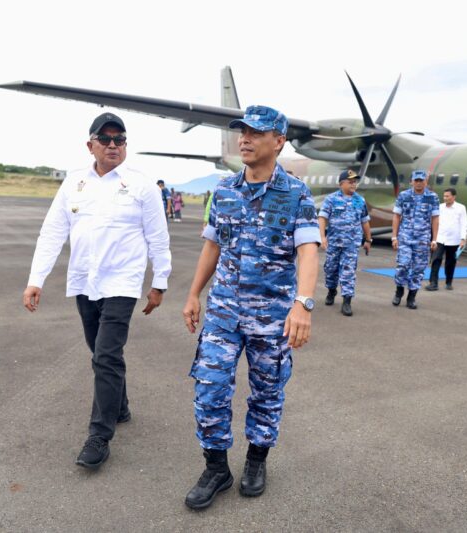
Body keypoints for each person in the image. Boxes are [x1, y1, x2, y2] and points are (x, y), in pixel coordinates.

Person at [181, 105, 320, 509]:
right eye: (242, 131)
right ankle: (216, 467)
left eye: (256, 133)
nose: (245, 138)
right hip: (223, 313)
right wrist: (193, 294)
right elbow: (212, 245)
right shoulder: (224, 190)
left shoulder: (296, 194)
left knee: (267, 392)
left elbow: (308, 251)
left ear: (278, 141)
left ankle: (256, 460)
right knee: (209, 389)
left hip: (272, 317)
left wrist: (303, 304)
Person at [22, 112, 171, 470]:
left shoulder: (142, 186)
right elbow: (53, 232)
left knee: (106, 354)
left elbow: (158, 238)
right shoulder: (74, 184)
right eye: (105, 139)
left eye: (119, 139)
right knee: (100, 352)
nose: (113, 145)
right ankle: (119, 407)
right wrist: (35, 279)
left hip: (122, 283)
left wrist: (159, 283)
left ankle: (99, 435)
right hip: (85, 283)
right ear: (90, 145)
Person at [318, 168, 372, 316]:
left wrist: (368, 239)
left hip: (351, 244)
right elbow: (322, 218)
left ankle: (347, 301)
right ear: (341, 184)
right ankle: (331, 290)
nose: (353, 185)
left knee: (348, 272)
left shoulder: (359, 200)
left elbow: (365, 221)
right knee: (330, 269)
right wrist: (322, 237)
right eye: (350, 182)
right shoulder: (331, 199)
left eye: (355, 182)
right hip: (334, 242)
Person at [391, 170, 439, 309]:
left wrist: (434, 239)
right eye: (416, 180)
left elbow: (435, 218)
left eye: (421, 180)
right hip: (405, 237)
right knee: (403, 265)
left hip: (422, 239)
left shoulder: (432, 197)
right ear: (411, 181)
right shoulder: (403, 196)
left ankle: (411, 297)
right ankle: (399, 290)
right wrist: (394, 236)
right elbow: (396, 216)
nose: (419, 183)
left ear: (426, 181)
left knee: (418, 269)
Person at [426, 187, 467, 291]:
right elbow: (434, 221)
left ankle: (449, 282)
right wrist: (433, 238)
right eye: (444, 196)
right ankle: (433, 283)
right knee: (435, 259)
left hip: (454, 240)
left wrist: (463, 238)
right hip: (440, 238)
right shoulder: (439, 207)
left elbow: (464, 223)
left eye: (447, 196)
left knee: (450, 262)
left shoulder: (461, 208)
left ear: (454, 197)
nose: (445, 198)